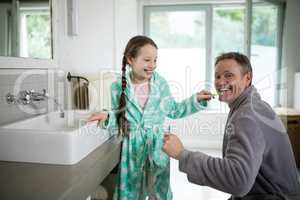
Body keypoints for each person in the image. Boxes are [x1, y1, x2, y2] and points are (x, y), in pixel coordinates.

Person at [163, 52, 300, 200]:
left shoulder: (247, 116)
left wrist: (182, 154)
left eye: (229, 75)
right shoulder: (253, 106)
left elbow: (238, 180)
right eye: (217, 76)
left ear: (247, 78)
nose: (221, 82)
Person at [88, 35, 211, 200]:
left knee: (158, 192)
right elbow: (120, 118)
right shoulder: (118, 86)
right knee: (131, 190)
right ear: (130, 59)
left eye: (155, 60)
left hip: (157, 145)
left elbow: (174, 110)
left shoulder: (160, 84)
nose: (152, 65)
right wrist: (107, 116)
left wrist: (195, 100)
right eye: (147, 60)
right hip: (132, 148)